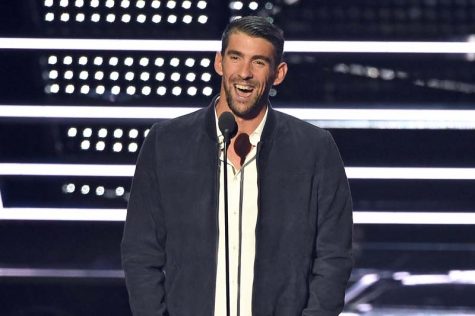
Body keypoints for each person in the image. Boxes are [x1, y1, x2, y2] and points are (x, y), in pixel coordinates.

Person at [121, 16, 353, 316]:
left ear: (278, 73)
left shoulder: (314, 149)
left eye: (258, 62)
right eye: (235, 58)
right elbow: (141, 253)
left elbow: (334, 258)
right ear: (220, 63)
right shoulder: (166, 144)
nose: (244, 73)